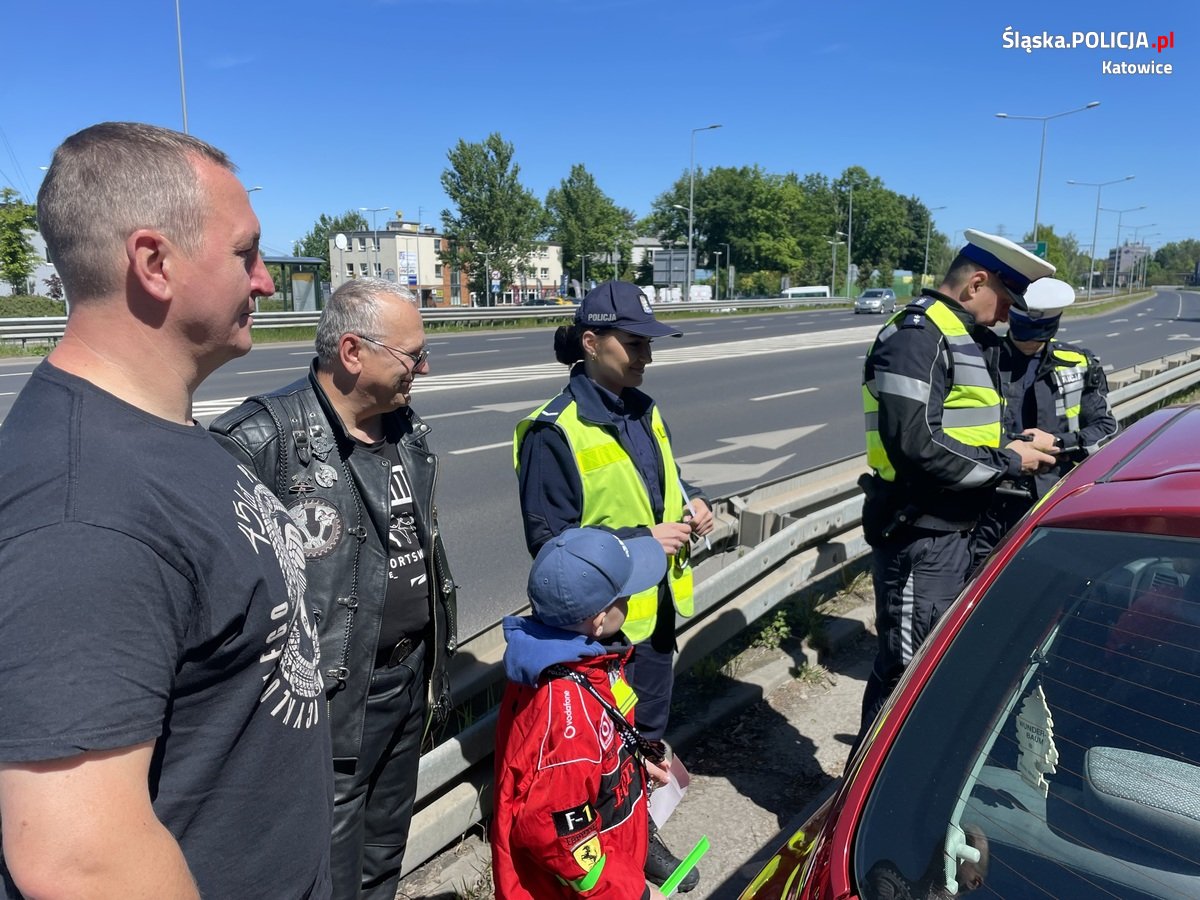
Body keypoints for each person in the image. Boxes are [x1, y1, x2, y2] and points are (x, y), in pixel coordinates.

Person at [0, 122, 331, 897]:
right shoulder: (81, 509)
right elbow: (81, 860)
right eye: (246, 254)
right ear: (154, 262)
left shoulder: (162, 430)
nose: (266, 283)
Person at [210, 278, 458, 900]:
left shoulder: (404, 427)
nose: (423, 369)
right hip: (330, 701)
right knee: (328, 869)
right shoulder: (262, 440)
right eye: (412, 355)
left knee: (381, 855)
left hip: (406, 683)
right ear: (352, 352)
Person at [513, 280, 713, 891]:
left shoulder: (642, 408)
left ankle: (637, 832)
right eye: (634, 344)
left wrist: (696, 500)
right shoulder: (555, 430)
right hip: (599, 623)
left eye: (650, 342)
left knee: (643, 734)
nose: (646, 355)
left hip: (654, 612)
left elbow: (664, 482)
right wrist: (643, 538)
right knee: (603, 753)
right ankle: (604, 856)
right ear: (592, 341)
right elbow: (550, 547)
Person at [857, 230, 1058, 737]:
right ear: (976, 283)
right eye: (1007, 299)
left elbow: (961, 427)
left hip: (954, 534)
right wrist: (1009, 461)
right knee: (906, 676)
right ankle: (865, 802)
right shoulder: (917, 335)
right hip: (920, 533)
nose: (1010, 314)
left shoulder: (957, 334)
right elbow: (916, 443)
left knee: (925, 670)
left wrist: (1015, 440)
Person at [492, 527, 671, 900]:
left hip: (613, 859)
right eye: (626, 596)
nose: (632, 600)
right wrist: (627, 890)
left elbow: (594, 758)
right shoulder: (566, 708)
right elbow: (555, 832)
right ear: (600, 620)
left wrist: (633, 763)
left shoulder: (582, 661)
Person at [969, 278, 1117, 568]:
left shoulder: (1078, 364)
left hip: (1056, 500)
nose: (1030, 342)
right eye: (1025, 332)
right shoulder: (981, 360)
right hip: (989, 505)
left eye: (1039, 333)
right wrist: (1006, 449)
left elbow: (1108, 430)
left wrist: (1059, 443)